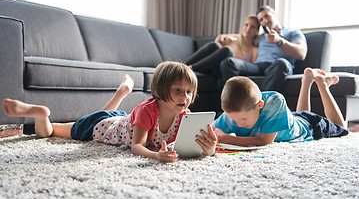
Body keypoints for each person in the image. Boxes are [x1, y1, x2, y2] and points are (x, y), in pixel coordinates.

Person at [2, 61, 218, 163]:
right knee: (51, 132)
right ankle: (41, 115)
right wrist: (156, 156)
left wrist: (208, 150)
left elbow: (190, 146)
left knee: (107, 115)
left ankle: (121, 93)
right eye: (178, 90)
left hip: (120, 120)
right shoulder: (147, 111)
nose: (185, 97)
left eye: (189, 91)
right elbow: (136, 147)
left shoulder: (185, 114)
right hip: (100, 128)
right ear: (160, 91)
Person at [214, 68, 349, 146]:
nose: (238, 124)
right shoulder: (234, 112)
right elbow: (211, 129)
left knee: (341, 128)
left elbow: (265, 141)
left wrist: (225, 138)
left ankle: (323, 85)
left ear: (259, 105)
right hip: (291, 119)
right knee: (299, 114)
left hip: (310, 126)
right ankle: (306, 81)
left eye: (243, 119)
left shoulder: (275, 101)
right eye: (233, 119)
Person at [219, 5, 308, 92]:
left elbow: (301, 53)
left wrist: (279, 41)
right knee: (228, 62)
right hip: (258, 66)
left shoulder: (292, 33)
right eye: (261, 20)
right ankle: (237, 103)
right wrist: (224, 36)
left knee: (282, 63)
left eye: (267, 16)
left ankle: (262, 104)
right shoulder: (261, 37)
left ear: (275, 15)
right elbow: (244, 35)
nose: (265, 21)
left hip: (277, 66)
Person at [185, 15, 260, 78]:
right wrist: (223, 36)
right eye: (246, 25)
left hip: (221, 71)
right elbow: (217, 44)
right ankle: (182, 66)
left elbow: (250, 68)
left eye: (252, 26)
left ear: (257, 31)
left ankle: (191, 68)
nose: (248, 28)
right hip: (209, 66)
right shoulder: (232, 40)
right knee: (215, 45)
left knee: (228, 50)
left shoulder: (254, 49)